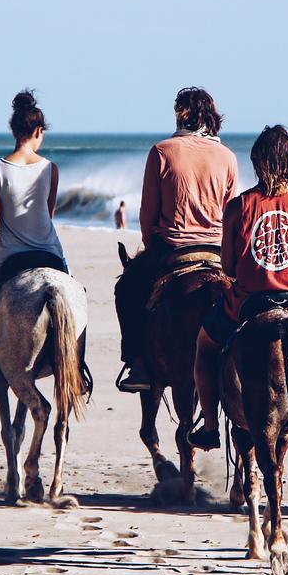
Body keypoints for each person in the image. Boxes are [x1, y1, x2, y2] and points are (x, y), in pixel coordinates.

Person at [190, 125, 288, 450]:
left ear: (257, 161)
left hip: (249, 301)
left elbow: (228, 267)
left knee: (205, 346)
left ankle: (210, 426)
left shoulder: (237, 207)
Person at [114, 87, 239, 392]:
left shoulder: (162, 151)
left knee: (126, 288)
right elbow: (232, 212)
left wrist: (148, 243)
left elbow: (148, 213)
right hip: (217, 253)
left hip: (173, 248)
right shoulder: (228, 157)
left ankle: (138, 362)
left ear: (181, 114)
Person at [0, 90, 68, 307]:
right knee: (74, 292)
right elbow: (49, 214)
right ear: (39, 131)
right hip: (50, 253)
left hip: (8, 257)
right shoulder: (51, 169)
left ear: (13, 131)